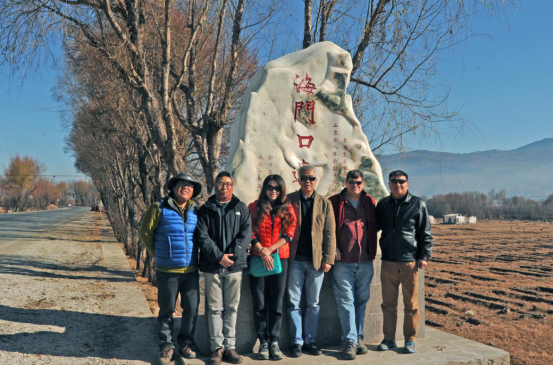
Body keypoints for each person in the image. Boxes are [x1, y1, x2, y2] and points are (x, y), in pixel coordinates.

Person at [139, 173, 202, 365]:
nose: (185, 187)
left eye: (189, 186)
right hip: (167, 271)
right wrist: (157, 254)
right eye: (181, 184)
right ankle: (166, 346)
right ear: (173, 188)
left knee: (191, 308)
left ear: (193, 192)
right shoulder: (159, 208)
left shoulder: (195, 211)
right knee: (166, 310)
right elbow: (145, 232)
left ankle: (185, 342)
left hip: (191, 270)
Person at [195, 172, 252, 365]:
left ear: (233, 186)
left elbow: (246, 234)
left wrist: (231, 256)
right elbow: (202, 237)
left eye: (228, 184)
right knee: (214, 308)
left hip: (235, 266)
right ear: (215, 185)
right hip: (212, 266)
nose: (224, 187)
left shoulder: (241, 207)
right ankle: (216, 348)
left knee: (231, 308)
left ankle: (230, 347)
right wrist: (219, 257)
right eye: (220, 184)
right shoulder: (205, 209)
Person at [375, 170, 433, 354]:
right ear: (389, 184)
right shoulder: (383, 204)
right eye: (394, 181)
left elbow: (425, 233)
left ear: (407, 184)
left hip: (409, 261)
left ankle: (410, 339)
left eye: (402, 181)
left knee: (411, 305)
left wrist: (424, 256)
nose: (398, 184)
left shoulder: (417, 204)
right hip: (388, 261)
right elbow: (372, 227)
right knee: (388, 304)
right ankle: (389, 338)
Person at [286, 165, 336, 358]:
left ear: (316, 181)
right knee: (293, 303)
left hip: (316, 262)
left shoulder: (324, 203)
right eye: (304, 178)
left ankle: (310, 340)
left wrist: (328, 259)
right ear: (298, 180)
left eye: (312, 178)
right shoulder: (289, 200)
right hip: (294, 260)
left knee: (313, 303)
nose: (308, 181)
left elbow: (330, 234)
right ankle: (296, 341)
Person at [328, 170, 378, 360]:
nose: (355, 185)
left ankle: (358, 338)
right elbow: (327, 227)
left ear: (363, 183)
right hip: (343, 261)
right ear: (345, 182)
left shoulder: (369, 202)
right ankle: (349, 341)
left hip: (365, 260)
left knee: (362, 301)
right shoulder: (335, 201)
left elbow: (375, 226)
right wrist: (332, 248)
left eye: (358, 182)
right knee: (346, 301)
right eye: (351, 182)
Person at [248, 175, 297, 361]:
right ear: (264, 188)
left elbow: (290, 233)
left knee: (276, 302)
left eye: (277, 188)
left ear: (282, 190)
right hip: (258, 258)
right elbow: (250, 232)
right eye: (270, 187)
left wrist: (270, 250)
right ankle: (263, 341)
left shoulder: (287, 208)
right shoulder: (254, 207)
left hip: (280, 259)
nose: (273, 191)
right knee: (259, 303)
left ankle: (274, 340)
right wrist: (262, 251)